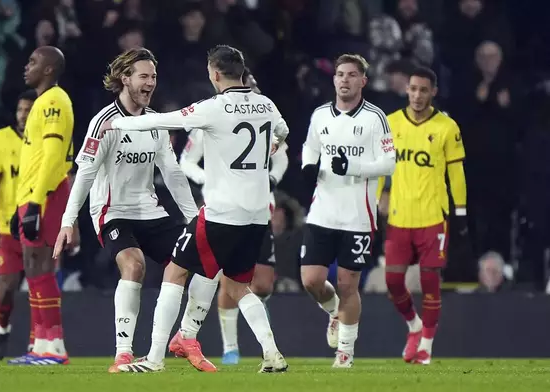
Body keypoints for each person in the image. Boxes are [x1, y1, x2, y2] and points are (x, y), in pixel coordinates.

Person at [101, 45, 290, 373]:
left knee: (174, 271)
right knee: (237, 286)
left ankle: (155, 359)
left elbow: (165, 120)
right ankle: (272, 354)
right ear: (242, 71)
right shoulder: (267, 104)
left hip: (221, 213)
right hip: (258, 216)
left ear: (214, 73)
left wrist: (119, 126)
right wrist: (272, 145)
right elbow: (284, 132)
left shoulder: (213, 108)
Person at [52, 48, 199, 373]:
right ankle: (123, 352)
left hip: (150, 211)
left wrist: (193, 219)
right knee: (133, 266)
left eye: (154, 77)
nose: (150, 83)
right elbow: (86, 173)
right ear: (125, 78)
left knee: (194, 261)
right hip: (111, 211)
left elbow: (172, 173)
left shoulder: (155, 122)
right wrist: (67, 220)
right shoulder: (105, 123)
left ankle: (181, 338)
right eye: (144, 76)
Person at [179, 66, 289, 365]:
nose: (249, 91)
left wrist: (272, 181)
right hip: (223, 208)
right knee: (227, 282)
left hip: (257, 210)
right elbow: (187, 161)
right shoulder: (213, 117)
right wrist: (205, 179)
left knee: (259, 283)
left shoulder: (266, 115)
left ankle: (185, 335)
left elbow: (281, 156)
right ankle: (231, 347)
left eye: (252, 86)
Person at [300, 54, 395, 368]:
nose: (344, 80)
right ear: (334, 79)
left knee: (347, 284)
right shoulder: (319, 116)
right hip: (322, 212)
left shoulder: (375, 117)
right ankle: (334, 313)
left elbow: (389, 162)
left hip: (358, 215)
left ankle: (345, 353)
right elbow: (311, 148)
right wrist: (308, 166)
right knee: (311, 280)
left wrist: (353, 167)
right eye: (340, 74)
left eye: (352, 75)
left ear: (363, 81)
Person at [378, 66, 466, 365]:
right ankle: (414, 326)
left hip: (432, 216)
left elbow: (456, 175)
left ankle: (426, 345)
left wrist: (461, 212)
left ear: (433, 92)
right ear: (407, 89)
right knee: (392, 281)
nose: (417, 95)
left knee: (430, 281)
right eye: (413, 89)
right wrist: (376, 199)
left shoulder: (446, 127)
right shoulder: (390, 124)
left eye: (423, 90)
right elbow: (380, 169)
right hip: (400, 216)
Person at [7, 46, 75, 366]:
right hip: (32, 194)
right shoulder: (42, 103)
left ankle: (55, 345)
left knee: (43, 265)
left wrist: (35, 202)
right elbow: (33, 159)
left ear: (49, 69)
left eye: (33, 62)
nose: (27, 66)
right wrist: (19, 205)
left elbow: (52, 155)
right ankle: (41, 345)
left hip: (45, 193)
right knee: (33, 267)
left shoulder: (53, 102)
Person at [0, 89, 37, 360]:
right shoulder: (2, 139)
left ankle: (39, 342)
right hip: (7, 226)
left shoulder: (46, 139)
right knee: (7, 285)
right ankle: (3, 329)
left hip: (38, 225)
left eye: (29, 109)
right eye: (21, 109)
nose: (23, 114)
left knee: (40, 284)